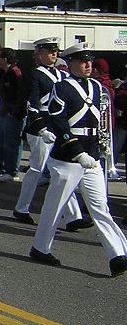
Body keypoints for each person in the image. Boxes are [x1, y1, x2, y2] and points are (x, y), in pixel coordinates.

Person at [29, 42, 127, 278]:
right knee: (55, 207)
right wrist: (77, 152)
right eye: (82, 61)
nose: (87, 65)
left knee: (100, 207)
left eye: (89, 61)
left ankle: (117, 256)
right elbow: (58, 120)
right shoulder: (61, 88)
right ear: (70, 63)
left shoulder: (96, 86)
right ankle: (41, 248)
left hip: (92, 154)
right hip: (68, 157)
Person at [13, 37, 87, 227]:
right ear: (39, 54)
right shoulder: (35, 75)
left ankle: (73, 217)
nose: (54, 54)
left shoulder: (62, 75)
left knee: (60, 172)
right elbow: (32, 103)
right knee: (37, 170)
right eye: (49, 51)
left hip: (57, 127)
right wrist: (41, 128)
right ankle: (22, 208)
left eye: (55, 51)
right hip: (41, 128)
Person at [0, 47, 26, 181]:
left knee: (12, 143)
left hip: (12, 114)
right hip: (3, 111)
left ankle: (12, 171)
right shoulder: (2, 72)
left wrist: (14, 111)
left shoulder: (15, 73)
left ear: (5, 59)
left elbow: (20, 94)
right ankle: (0, 168)